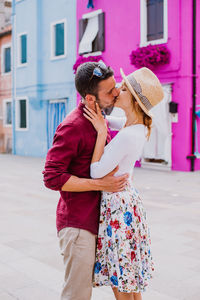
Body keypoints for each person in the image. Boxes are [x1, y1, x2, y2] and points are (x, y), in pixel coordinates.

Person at [42, 61, 129, 300]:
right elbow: (51, 176)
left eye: (116, 87)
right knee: (77, 295)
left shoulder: (99, 116)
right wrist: (101, 184)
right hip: (78, 225)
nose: (116, 93)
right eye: (110, 91)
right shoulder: (73, 126)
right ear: (90, 99)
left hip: (96, 220)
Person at [83, 67, 164, 300]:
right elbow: (111, 120)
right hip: (128, 203)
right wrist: (97, 113)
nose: (117, 90)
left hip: (118, 208)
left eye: (124, 88)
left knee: (121, 281)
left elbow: (95, 172)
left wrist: (100, 133)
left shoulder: (129, 135)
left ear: (135, 101)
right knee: (130, 278)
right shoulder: (136, 125)